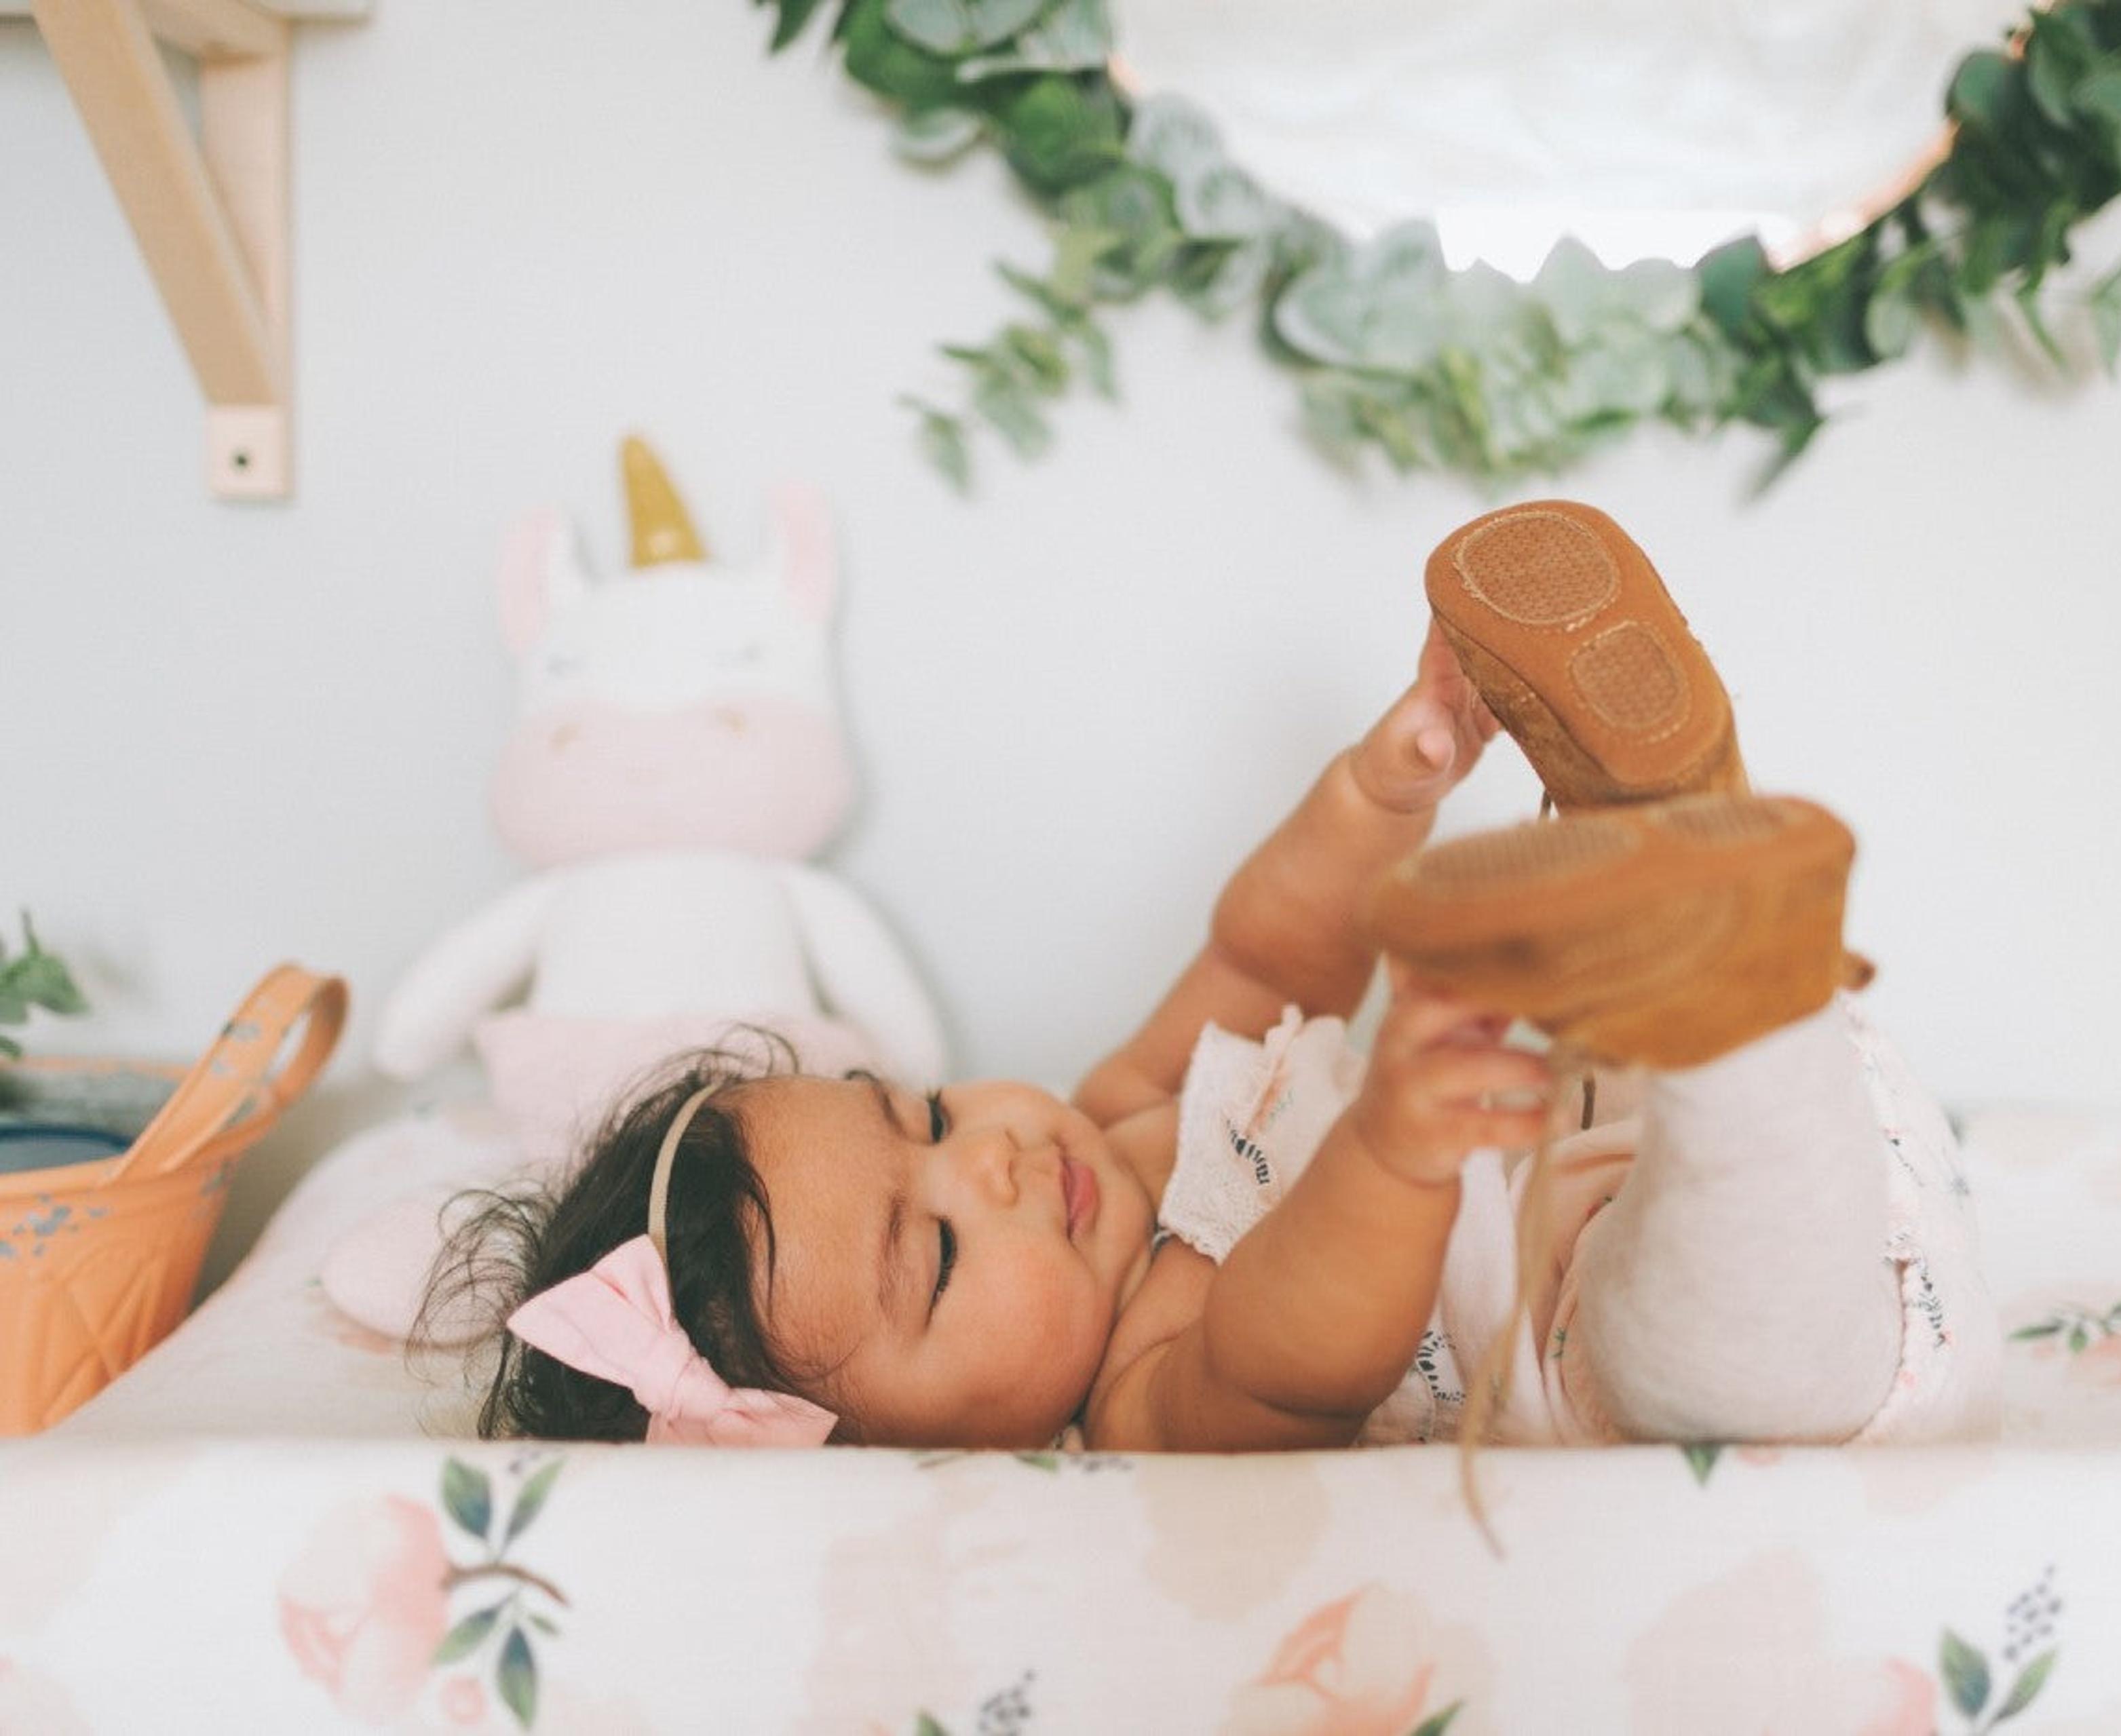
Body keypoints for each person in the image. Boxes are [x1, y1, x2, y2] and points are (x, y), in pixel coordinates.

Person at [433, 501, 2000, 1457]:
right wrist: (1388, 1147)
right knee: (1692, 1343)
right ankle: (1742, 1004)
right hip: (1687, 1339)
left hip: (1618, 1139)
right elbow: (1297, 1351)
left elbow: (1267, 954)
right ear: (914, 1444)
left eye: (924, 1114)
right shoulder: (1144, 1392)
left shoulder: (1125, 1113)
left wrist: (1379, 792)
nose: (988, 1159)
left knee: (1617, 1031)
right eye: (938, 1252)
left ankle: (1673, 873)